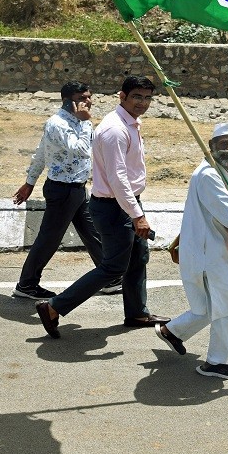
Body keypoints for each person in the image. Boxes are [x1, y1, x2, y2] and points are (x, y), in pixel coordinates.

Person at [36, 75, 168, 338]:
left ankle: (137, 312)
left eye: (147, 97)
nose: (142, 103)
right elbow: (118, 178)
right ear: (122, 96)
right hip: (113, 207)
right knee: (114, 267)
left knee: (138, 257)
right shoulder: (114, 130)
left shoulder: (130, 123)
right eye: (137, 97)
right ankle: (53, 307)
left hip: (126, 204)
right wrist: (137, 215)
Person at [153, 123, 228, 381]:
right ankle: (218, 363)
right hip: (209, 256)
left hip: (217, 252)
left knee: (207, 308)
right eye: (224, 142)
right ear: (210, 145)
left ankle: (172, 332)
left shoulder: (226, 171)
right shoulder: (208, 176)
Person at [12, 81, 119, 300]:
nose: (87, 101)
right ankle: (26, 284)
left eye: (88, 97)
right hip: (62, 191)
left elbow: (41, 153)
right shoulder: (57, 124)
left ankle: (110, 278)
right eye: (82, 98)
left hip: (77, 189)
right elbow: (80, 150)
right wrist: (86, 124)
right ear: (67, 100)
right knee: (49, 239)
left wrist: (29, 182)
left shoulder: (76, 122)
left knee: (92, 232)